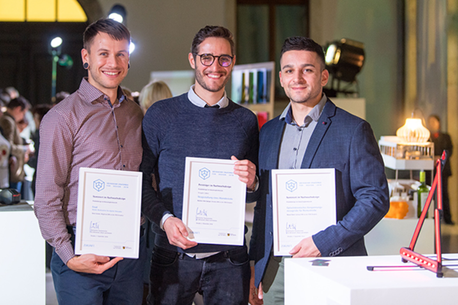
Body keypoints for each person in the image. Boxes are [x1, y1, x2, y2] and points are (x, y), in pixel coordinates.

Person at [249, 36, 390, 305]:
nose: (297, 78)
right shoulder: (268, 133)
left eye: (308, 70)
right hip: (275, 271)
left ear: (324, 76)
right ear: (281, 78)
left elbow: (375, 199)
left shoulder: (353, 130)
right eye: (289, 70)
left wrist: (323, 242)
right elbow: (263, 207)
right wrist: (256, 262)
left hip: (333, 265)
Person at [140, 25, 259, 305]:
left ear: (232, 62)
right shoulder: (161, 115)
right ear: (192, 60)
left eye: (224, 59)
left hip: (230, 259)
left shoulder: (246, 121)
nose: (215, 66)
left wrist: (253, 181)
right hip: (172, 256)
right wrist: (165, 220)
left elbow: (254, 192)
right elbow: (141, 182)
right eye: (207, 58)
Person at [34, 19, 145, 305]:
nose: (113, 62)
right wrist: (69, 256)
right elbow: (46, 197)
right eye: (104, 53)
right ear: (86, 57)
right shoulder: (62, 118)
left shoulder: (136, 114)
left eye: (121, 54)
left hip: (129, 255)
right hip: (80, 252)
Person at [427, 114, 454, 225]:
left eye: (434, 121)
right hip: (430, 169)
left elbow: (450, 150)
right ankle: (430, 216)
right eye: (430, 122)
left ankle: (447, 218)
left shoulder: (446, 137)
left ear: (439, 123)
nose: (432, 124)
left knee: (444, 193)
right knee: (430, 193)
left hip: (443, 169)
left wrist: (440, 158)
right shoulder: (427, 137)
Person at [0, 96, 30, 192]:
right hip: (11, 172)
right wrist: (25, 149)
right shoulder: (7, 121)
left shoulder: (9, 120)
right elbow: (8, 146)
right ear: (18, 109)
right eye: (23, 113)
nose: (23, 116)